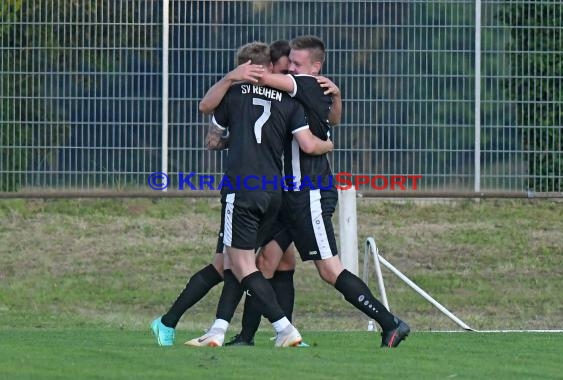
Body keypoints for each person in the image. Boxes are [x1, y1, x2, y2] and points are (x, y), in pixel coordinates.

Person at [229, 35, 410, 348]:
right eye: (289, 64)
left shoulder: (308, 84)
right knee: (271, 261)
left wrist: (243, 74)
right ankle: (256, 338)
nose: (290, 70)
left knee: (329, 270)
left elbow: (280, 90)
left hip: (310, 193)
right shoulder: (316, 90)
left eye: (297, 65)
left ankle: (390, 323)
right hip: (289, 194)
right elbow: (333, 118)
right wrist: (337, 97)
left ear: (315, 67)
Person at [150, 41, 332, 347]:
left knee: (242, 265)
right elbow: (309, 143)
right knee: (226, 264)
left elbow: (207, 116)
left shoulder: (234, 94)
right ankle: (197, 327)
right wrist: (329, 143)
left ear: (247, 67)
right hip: (274, 194)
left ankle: (284, 329)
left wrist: (229, 79)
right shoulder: (289, 101)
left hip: (241, 190)